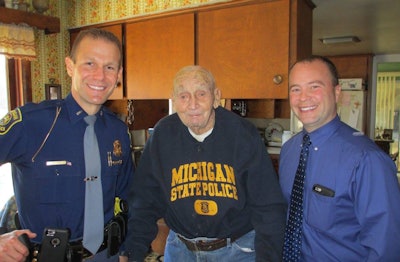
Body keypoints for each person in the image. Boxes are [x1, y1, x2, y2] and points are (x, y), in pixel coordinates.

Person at [123, 65, 287, 262]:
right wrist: (131, 252)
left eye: (201, 93)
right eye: (183, 96)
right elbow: (145, 200)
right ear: (174, 100)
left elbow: (268, 207)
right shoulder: (162, 135)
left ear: (217, 97)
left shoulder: (243, 135)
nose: (192, 104)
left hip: (237, 251)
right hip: (180, 250)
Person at [0, 28, 134, 261]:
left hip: (106, 255)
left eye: (109, 67)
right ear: (70, 66)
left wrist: (127, 250)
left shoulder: (118, 131)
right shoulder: (30, 123)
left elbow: (129, 197)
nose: (100, 76)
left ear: (119, 74)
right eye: (90, 63)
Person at [279, 55, 400, 261]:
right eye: (295, 89)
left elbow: (385, 246)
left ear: (336, 93)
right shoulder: (289, 150)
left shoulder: (367, 160)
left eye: (314, 87)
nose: (303, 97)